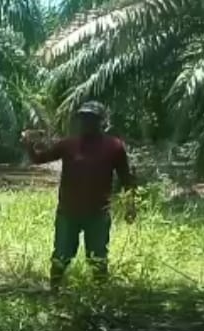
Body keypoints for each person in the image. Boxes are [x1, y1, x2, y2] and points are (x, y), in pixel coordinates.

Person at [22, 101, 136, 291]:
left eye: (91, 118)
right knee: (61, 255)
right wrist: (28, 145)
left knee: (98, 257)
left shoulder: (114, 146)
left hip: (98, 212)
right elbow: (39, 159)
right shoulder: (69, 144)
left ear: (102, 121)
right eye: (83, 118)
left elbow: (126, 179)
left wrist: (130, 205)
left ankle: (99, 295)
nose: (86, 122)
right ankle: (54, 291)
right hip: (68, 211)